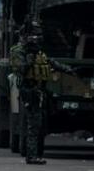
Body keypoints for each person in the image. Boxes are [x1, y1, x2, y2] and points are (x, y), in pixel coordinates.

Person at [11, 27, 75, 165]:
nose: (36, 39)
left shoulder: (39, 52)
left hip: (41, 92)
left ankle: (37, 154)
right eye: (33, 36)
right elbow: (20, 69)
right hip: (30, 91)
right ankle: (31, 156)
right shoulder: (19, 51)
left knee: (41, 126)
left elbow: (50, 62)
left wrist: (70, 70)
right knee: (33, 126)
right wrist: (30, 57)